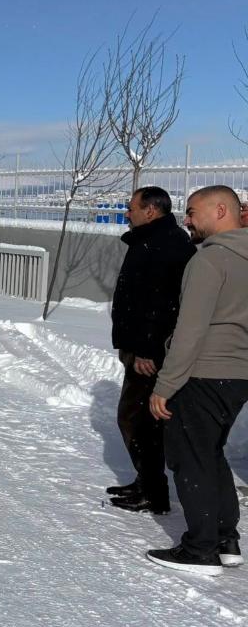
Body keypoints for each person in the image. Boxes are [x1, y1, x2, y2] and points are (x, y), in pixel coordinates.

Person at [146, 185, 248, 576]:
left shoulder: (209, 261)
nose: (186, 220)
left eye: (191, 212)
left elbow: (190, 330)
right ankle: (225, 539)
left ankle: (200, 550)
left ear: (220, 209)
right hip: (237, 375)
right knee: (211, 453)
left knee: (190, 458)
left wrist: (165, 385)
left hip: (204, 371)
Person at [106, 186, 195, 514]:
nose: (126, 212)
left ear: (150, 211)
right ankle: (146, 482)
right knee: (139, 419)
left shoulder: (165, 245)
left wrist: (146, 350)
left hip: (150, 353)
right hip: (140, 348)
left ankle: (153, 492)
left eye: (131, 208)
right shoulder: (148, 240)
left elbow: (162, 304)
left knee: (137, 419)